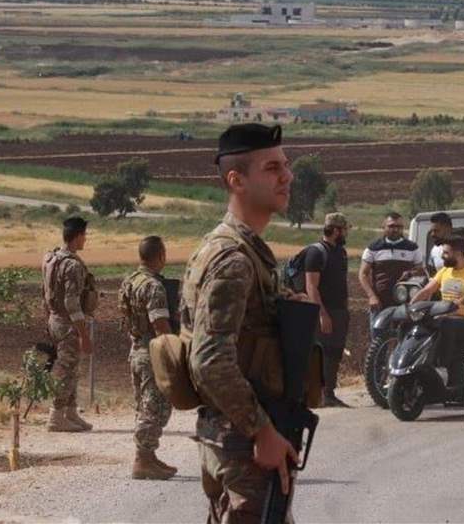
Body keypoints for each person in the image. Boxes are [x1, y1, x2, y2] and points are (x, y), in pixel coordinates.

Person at [181, 123, 306, 524]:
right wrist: (261, 431)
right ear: (237, 180)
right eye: (272, 168)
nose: (287, 176)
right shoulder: (233, 260)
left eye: (285, 165)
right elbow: (210, 360)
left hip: (235, 437)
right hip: (242, 442)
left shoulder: (241, 251)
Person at [118, 235, 175, 479]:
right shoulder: (153, 286)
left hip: (136, 350)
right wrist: (172, 352)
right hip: (152, 353)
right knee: (155, 407)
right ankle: (142, 460)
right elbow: (160, 324)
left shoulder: (129, 281)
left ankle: (149, 456)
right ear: (160, 256)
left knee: (144, 406)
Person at [42, 215, 97, 433]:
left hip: (55, 320)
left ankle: (71, 412)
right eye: (84, 235)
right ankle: (56, 417)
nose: (86, 239)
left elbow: (45, 293)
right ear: (77, 236)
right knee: (66, 371)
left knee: (72, 369)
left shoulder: (51, 259)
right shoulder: (72, 265)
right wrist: (84, 335)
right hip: (67, 324)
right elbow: (72, 303)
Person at [411, 236, 464, 394]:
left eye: (446, 253)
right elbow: (427, 290)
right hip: (443, 318)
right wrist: (411, 305)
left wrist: (458, 302)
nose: (442, 256)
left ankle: (442, 365)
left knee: (444, 324)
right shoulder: (444, 271)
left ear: (458, 253)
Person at [304, 212, 351, 408]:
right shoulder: (316, 253)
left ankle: (329, 394)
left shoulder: (341, 252)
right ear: (336, 230)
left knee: (335, 352)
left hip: (340, 311)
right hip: (324, 311)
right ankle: (317, 395)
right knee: (321, 353)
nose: (346, 233)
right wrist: (322, 314)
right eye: (344, 230)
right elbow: (311, 286)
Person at [359, 212, 425, 319]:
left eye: (399, 227)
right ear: (383, 226)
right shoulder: (373, 248)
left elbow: (420, 270)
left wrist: (410, 273)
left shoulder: (412, 248)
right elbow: (363, 274)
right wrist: (372, 296)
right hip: (380, 302)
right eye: (391, 226)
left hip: (405, 302)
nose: (395, 230)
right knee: (378, 329)